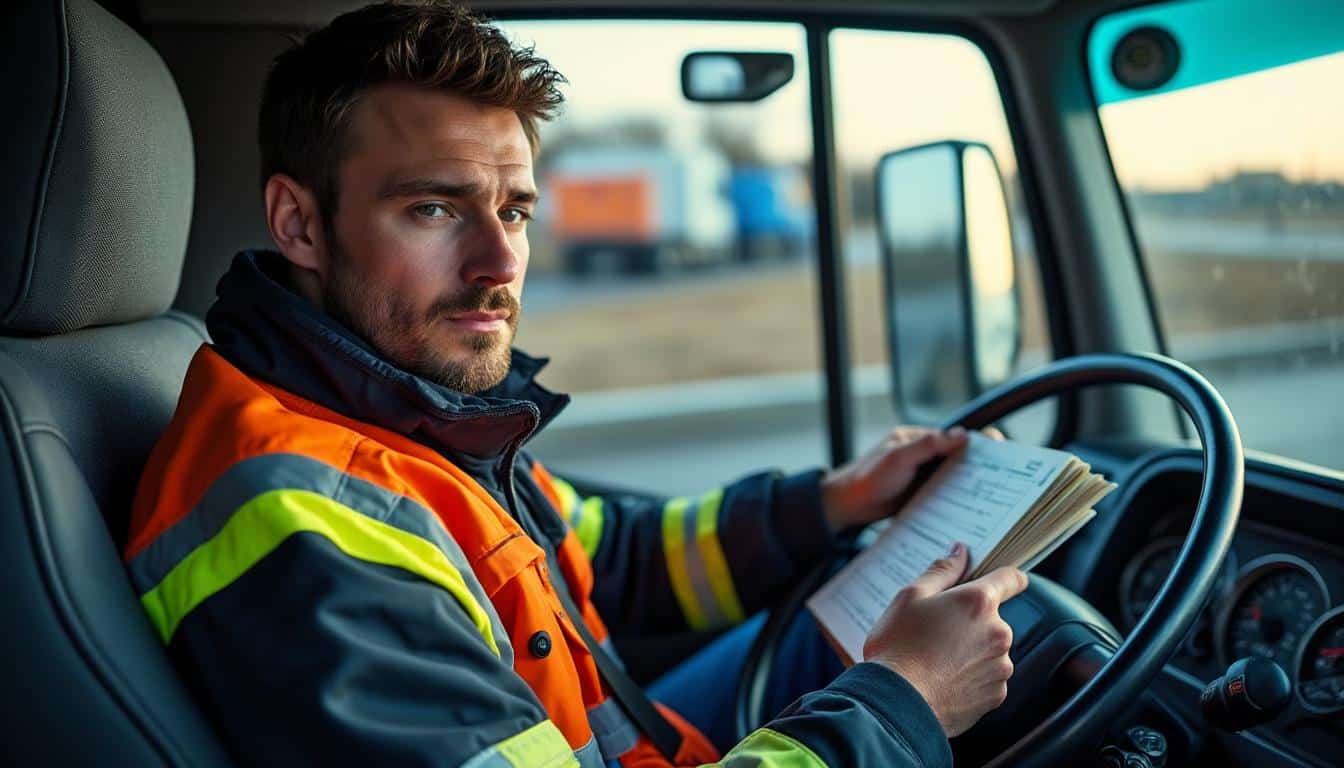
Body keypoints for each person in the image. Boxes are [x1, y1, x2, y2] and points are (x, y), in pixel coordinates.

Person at [126, 2, 1026, 765]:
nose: (500, 260)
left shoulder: (409, 412)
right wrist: (904, 701)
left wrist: (831, 503)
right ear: (300, 224)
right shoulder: (302, 518)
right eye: (434, 208)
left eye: (514, 208)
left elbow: (613, 559)